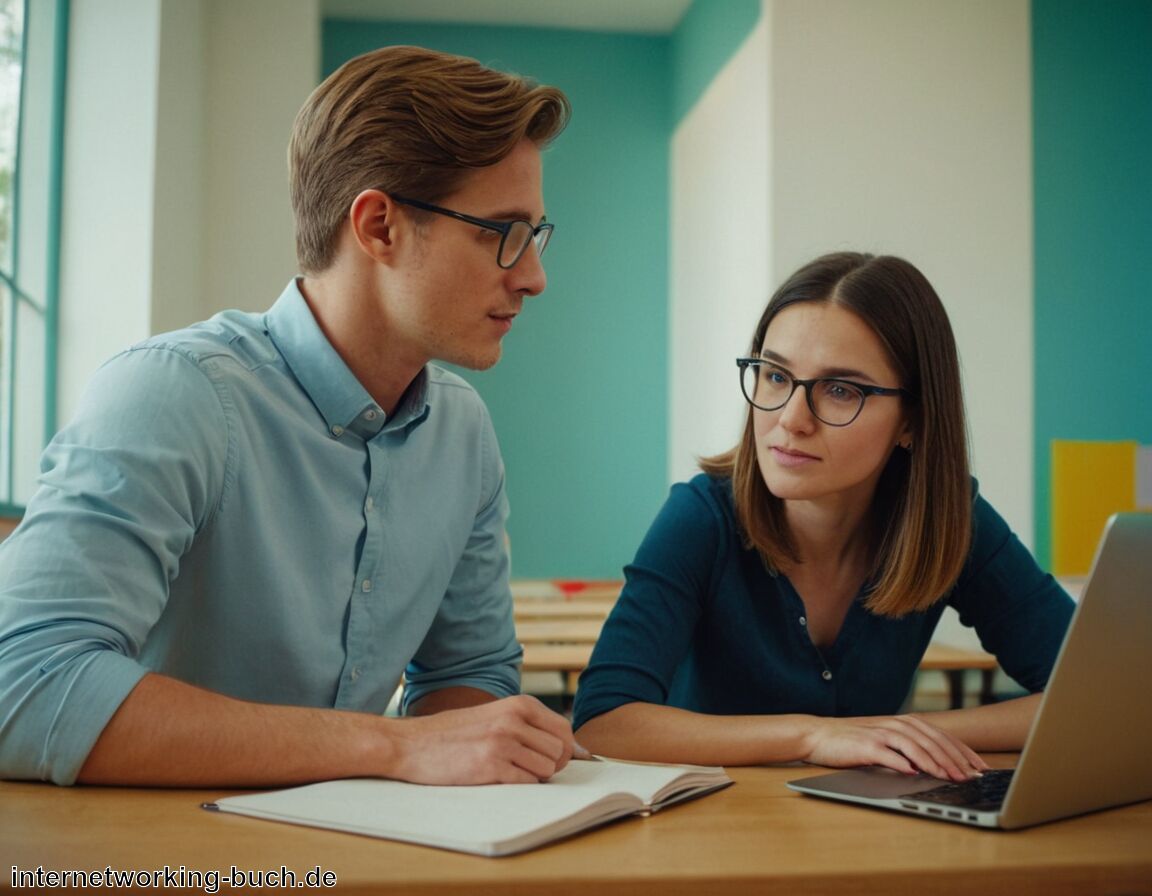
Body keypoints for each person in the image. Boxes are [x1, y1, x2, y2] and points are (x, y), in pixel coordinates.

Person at [0, 45, 583, 787]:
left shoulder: (463, 435)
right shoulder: (174, 394)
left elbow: (468, 675)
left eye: (535, 236)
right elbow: (20, 684)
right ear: (378, 227)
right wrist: (390, 748)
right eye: (500, 233)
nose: (533, 276)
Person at [573, 251, 1075, 782]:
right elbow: (604, 722)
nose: (790, 420)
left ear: (913, 421)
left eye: (840, 391)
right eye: (774, 376)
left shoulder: (950, 521)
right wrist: (814, 734)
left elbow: (1094, 694)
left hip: (865, 831)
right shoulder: (702, 517)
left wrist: (895, 733)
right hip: (710, 832)